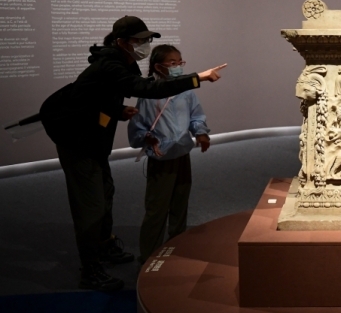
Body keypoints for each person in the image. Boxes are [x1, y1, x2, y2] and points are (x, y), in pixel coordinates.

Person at [40, 16, 226, 292]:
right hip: (77, 141)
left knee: (105, 194)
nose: (145, 44)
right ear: (121, 42)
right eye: (139, 40)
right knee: (91, 208)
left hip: (93, 140)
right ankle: (90, 270)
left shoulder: (123, 62)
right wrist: (196, 78)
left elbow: (96, 98)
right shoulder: (110, 64)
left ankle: (104, 246)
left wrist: (117, 110)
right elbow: (146, 89)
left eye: (147, 39)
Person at [128, 45, 211, 264]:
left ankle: (177, 248)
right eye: (172, 63)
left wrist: (201, 133)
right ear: (158, 67)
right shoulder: (148, 96)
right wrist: (148, 138)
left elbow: (196, 116)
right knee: (157, 209)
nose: (178, 67)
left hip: (182, 154)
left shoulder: (186, 91)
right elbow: (137, 128)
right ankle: (149, 256)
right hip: (161, 159)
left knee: (180, 204)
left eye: (180, 62)